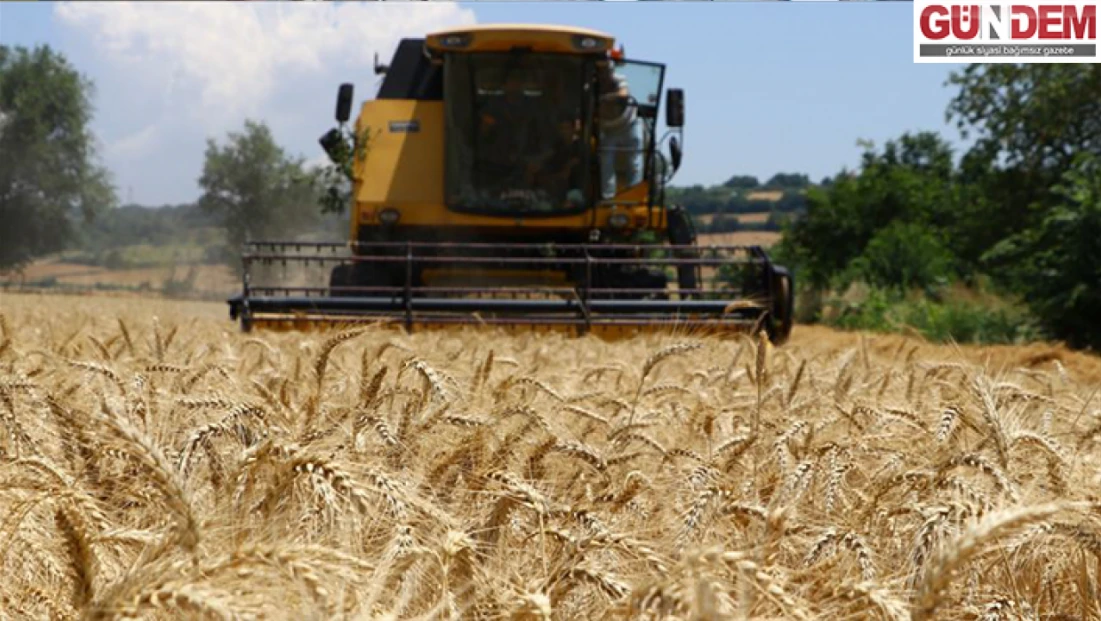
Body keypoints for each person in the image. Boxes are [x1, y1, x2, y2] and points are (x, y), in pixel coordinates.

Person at [596, 61, 643, 200]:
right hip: (608, 128)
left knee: (634, 161)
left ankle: (634, 195)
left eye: (606, 71)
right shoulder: (590, 84)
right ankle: (608, 197)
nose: (604, 75)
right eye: (601, 72)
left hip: (629, 124)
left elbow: (623, 95)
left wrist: (605, 99)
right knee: (606, 160)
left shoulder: (620, 80)